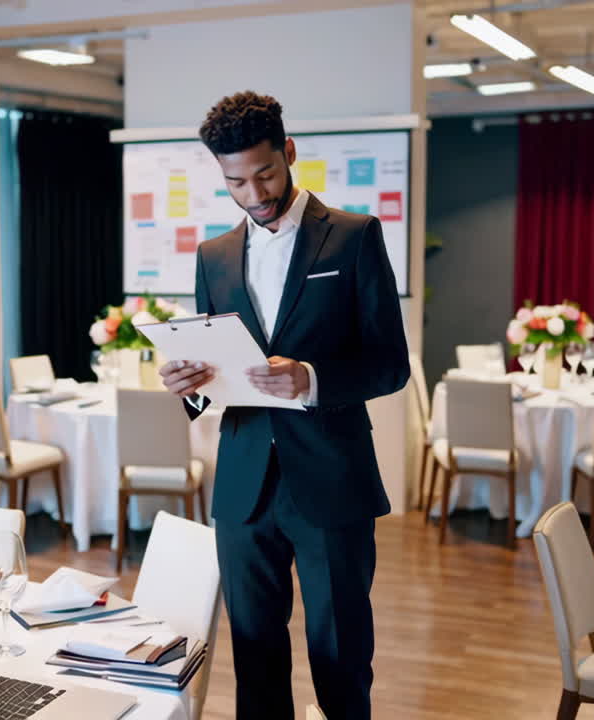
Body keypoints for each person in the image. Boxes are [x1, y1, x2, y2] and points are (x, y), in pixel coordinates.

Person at [158, 91, 409, 720]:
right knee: (254, 656)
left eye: (264, 173)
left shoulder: (353, 237)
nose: (254, 192)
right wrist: (192, 385)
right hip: (243, 483)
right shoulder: (212, 256)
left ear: (289, 153)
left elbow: (391, 364)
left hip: (331, 476)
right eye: (235, 180)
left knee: (339, 652)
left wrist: (312, 379)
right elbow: (214, 362)